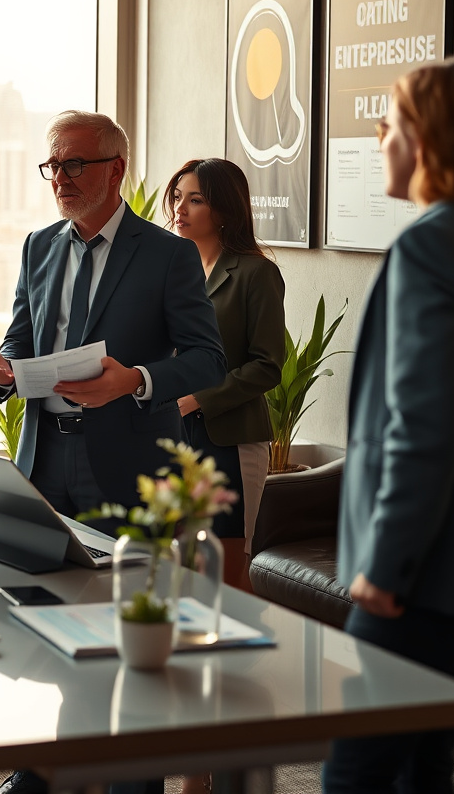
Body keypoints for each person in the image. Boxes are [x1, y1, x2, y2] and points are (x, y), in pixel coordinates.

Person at [0, 110, 225, 794]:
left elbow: (207, 360)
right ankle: (43, 771)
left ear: (116, 168)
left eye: (74, 164)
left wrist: (135, 381)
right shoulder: (37, 246)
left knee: (123, 639)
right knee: (47, 629)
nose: (60, 178)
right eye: (52, 165)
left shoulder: (166, 254)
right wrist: (5, 369)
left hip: (129, 465)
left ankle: (129, 785)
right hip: (44, 459)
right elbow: (23, 339)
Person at [322, 60, 454, 793]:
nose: (380, 140)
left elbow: (425, 428)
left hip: (425, 572)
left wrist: (387, 564)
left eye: (390, 125)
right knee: (423, 763)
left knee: (355, 772)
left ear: (424, 139)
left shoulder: (433, 242)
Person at [165, 158, 285, 590]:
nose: (181, 208)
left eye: (195, 199)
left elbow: (268, 363)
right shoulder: (171, 272)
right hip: (171, 433)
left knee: (226, 571)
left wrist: (199, 398)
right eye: (178, 197)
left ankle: (242, 655)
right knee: (175, 566)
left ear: (224, 209)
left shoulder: (256, 273)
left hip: (229, 438)